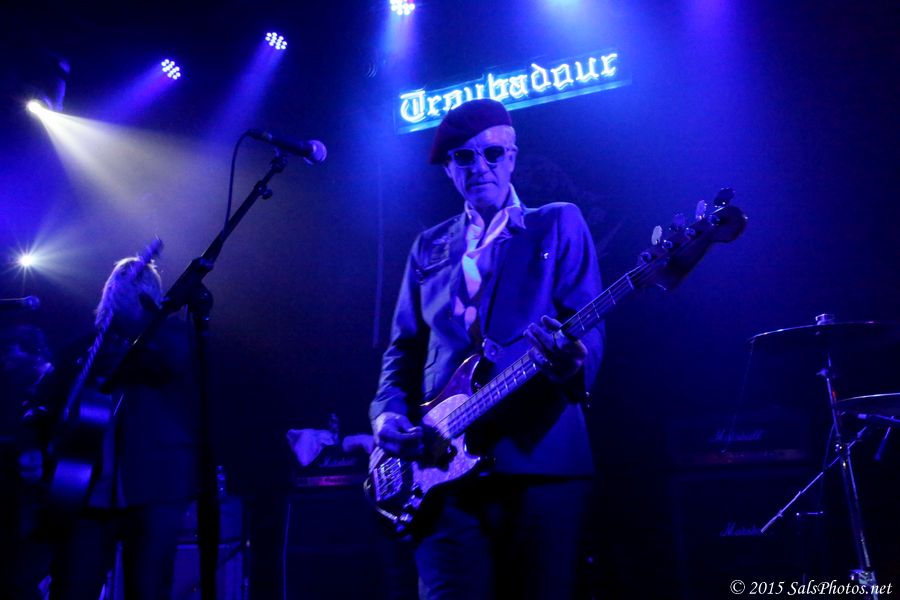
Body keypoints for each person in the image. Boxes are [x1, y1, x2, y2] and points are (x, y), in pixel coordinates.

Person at [370, 99, 604, 599]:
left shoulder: (557, 223)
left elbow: (588, 324)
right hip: (440, 469)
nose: (480, 166)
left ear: (512, 158)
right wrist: (386, 416)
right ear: (448, 169)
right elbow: (403, 350)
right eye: (464, 157)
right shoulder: (428, 246)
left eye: (493, 153)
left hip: (539, 460)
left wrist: (574, 361)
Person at [29, 256, 199, 600]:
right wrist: (34, 445)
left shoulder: (172, 337)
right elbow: (40, 405)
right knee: (72, 588)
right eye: (116, 285)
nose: (122, 289)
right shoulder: (83, 348)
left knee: (148, 590)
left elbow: (168, 364)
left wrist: (147, 317)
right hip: (83, 491)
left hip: (155, 487)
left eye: (134, 285)